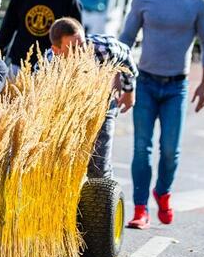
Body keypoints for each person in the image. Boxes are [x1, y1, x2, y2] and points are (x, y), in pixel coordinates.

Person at [119, 0, 204, 230]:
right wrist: (120, 77)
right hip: (145, 82)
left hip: (177, 87)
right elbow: (125, 39)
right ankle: (140, 209)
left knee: (171, 150)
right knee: (141, 148)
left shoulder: (198, 2)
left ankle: (162, 192)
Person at [47, 17, 138, 179]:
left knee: (98, 165)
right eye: (74, 48)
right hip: (69, 108)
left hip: (103, 102)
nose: (82, 51)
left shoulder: (103, 48)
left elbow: (127, 56)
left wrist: (129, 90)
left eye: (82, 44)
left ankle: (105, 194)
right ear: (56, 50)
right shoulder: (48, 64)